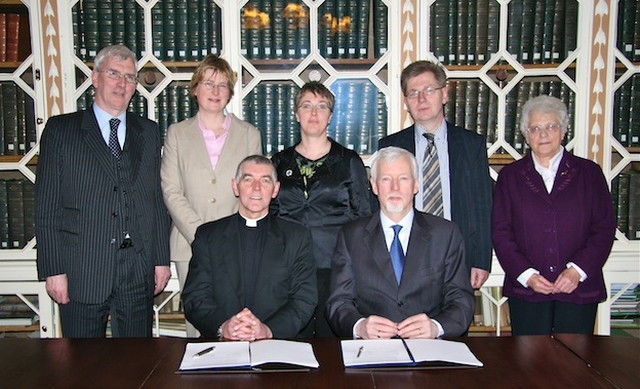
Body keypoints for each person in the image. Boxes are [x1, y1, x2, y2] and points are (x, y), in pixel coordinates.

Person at [35, 45, 171, 338]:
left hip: (137, 268)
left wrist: (160, 260)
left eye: (130, 77)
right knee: (83, 366)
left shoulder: (147, 131)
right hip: (82, 269)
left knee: (135, 364)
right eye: (114, 74)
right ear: (95, 78)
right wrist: (52, 269)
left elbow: (156, 202)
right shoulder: (61, 131)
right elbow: (47, 207)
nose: (122, 84)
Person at [492, 95, 616, 335]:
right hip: (528, 291)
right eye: (535, 128)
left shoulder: (589, 173)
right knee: (529, 365)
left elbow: (603, 228)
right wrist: (527, 275)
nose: (543, 134)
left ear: (563, 131)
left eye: (551, 126)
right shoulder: (510, 176)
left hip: (578, 288)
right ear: (526, 135)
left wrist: (576, 271)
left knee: (573, 366)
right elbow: (501, 231)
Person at [326, 147, 475, 339]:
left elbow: (462, 300)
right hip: (373, 351)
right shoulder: (350, 236)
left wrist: (436, 327)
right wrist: (360, 326)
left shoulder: (445, 234)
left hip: (429, 350)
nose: (394, 188)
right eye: (386, 179)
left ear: (415, 185)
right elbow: (338, 302)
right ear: (374, 186)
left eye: (403, 179)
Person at [161, 54, 261, 337]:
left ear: (230, 91)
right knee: (199, 326)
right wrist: (203, 236)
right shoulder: (177, 134)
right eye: (208, 83)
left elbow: (253, 190)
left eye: (222, 85)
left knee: (238, 323)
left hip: (238, 246)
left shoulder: (249, 134)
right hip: (188, 244)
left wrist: (226, 238)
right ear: (195, 89)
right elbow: (171, 189)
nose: (215, 91)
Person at [378, 60, 492, 289]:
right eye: (413, 93)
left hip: (458, 256)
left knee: (454, 323)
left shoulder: (472, 145)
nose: (421, 99)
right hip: (404, 257)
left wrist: (481, 260)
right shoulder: (391, 146)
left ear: (444, 95)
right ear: (406, 102)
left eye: (429, 90)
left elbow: (483, 205)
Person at [271, 81, 372, 337]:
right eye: (306, 106)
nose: (313, 113)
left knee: (332, 346)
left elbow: (364, 218)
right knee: (291, 344)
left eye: (321, 106)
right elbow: (269, 216)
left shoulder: (349, 161)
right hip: (287, 268)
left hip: (336, 268)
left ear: (330, 115)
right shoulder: (278, 162)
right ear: (296, 114)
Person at [181, 155, 317, 340]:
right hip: (222, 345)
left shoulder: (297, 237)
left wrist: (267, 330)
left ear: (275, 190)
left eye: (265, 181)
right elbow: (195, 297)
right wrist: (224, 327)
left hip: (277, 345)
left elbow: (304, 299)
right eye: (248, 179)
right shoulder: (208, 236)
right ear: (235, 186)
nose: (256, 188)